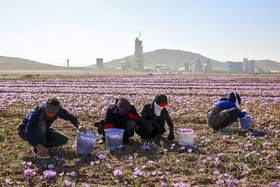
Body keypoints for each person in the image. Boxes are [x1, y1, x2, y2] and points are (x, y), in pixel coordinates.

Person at [18, 98, 87, 159]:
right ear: (45, 108)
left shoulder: (58, 110)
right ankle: (38, 153)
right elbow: (28, 132)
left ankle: (39, 144)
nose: (50, 115)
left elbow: (70, 116)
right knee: (42, 123)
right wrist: (38, 147)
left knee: (63, 140)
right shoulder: (35, 113)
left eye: (53, 113)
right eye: (49, 112)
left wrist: (79, 126)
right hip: (25, 131)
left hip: (44, 129)